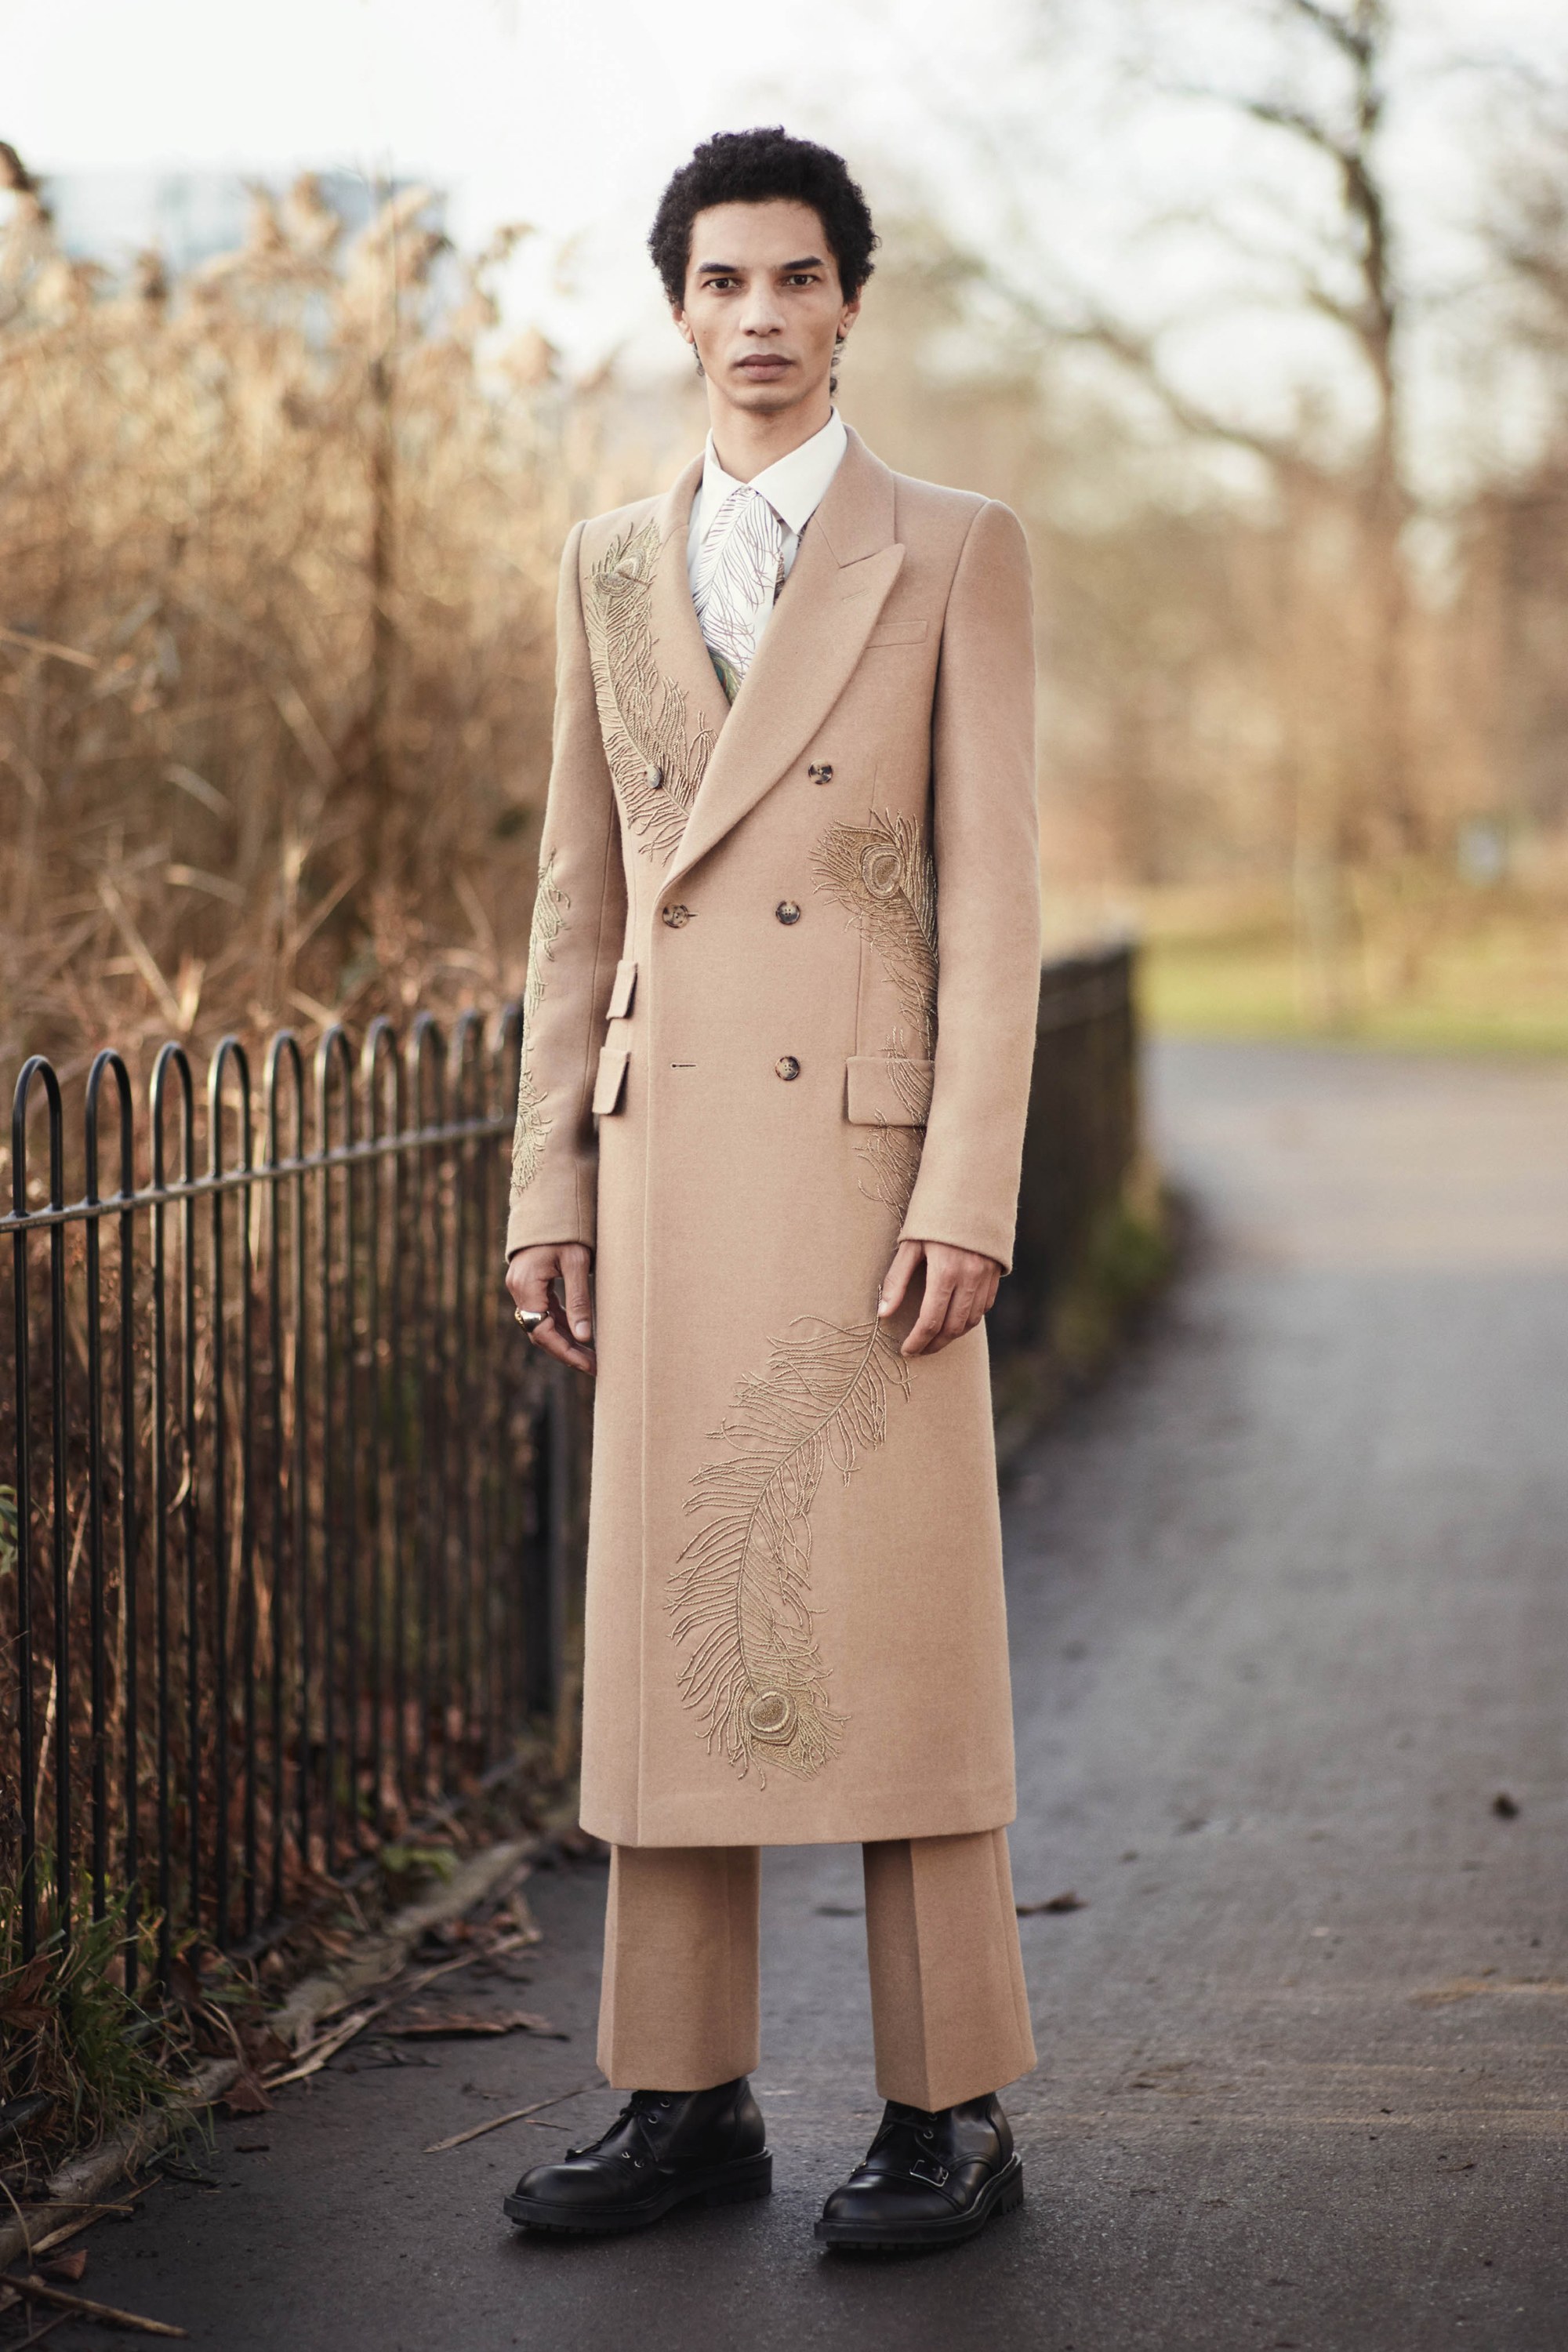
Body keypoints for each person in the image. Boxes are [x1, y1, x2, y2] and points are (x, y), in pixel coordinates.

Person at [501, 125, 1040, 2253]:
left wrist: (971, 1180)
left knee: (900, 1647)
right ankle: (682, 2099)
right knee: (673, 1635)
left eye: (799, 280)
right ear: (679, 306)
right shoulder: (610, 568)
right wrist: (544, 1174)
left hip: (866, 1172)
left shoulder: (952, 549)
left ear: (848, 305)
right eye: (723, 282)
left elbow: (997, 900)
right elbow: (576, 897)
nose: (761, 319)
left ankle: (952, 2111)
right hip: (665, 1167)